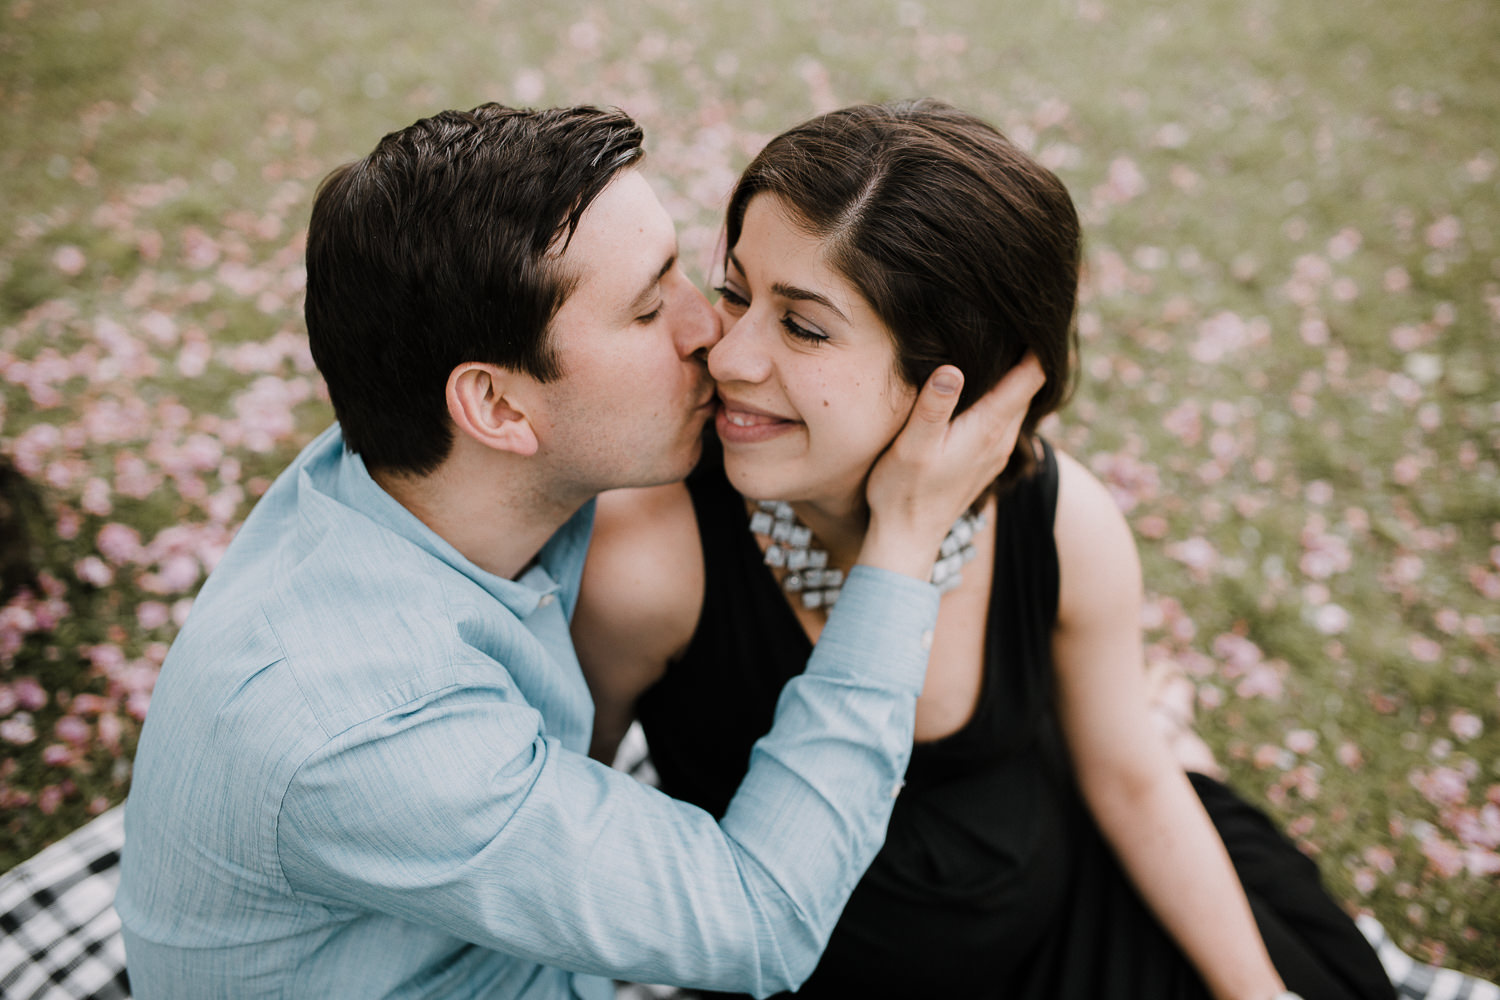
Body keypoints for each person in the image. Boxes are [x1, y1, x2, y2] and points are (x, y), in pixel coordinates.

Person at [114, 103, 1045, 999]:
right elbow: (760, 918)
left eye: (695, 277)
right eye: (648, 312)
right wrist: (905, 543)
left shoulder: (430, 483)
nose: (711, 337)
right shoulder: (363, 728)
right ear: (498, 407)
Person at [574, 100, 1397, 1000]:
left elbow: (1127, 781)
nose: (728, 354)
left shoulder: (1061, 523)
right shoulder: (650, 563)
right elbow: (577, 831)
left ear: (958, 379)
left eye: (803, 326)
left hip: (1083, 913)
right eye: (736, 291)